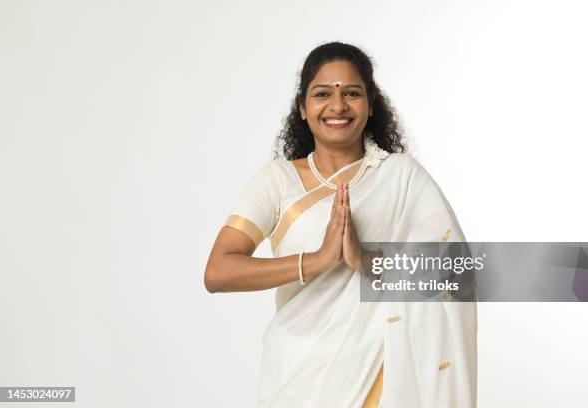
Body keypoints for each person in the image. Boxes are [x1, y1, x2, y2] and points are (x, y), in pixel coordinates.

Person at [204, 42, 477, 407]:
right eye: (322, 94)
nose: (337, 106)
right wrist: (316, 261)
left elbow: (458, 273)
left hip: (386, 375)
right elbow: (218, 271)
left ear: (371, 103)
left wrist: (364, 259)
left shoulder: (402, 178)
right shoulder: (277, 181)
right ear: (302, 108)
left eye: (352, 93)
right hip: (299, 378)